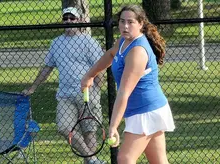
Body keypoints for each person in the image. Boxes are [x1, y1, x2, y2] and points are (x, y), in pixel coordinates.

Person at [81, 4, 175, 164]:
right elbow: (111, 54)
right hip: (145, 110)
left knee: (125, 159)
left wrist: (113, 127)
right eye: (122, 21)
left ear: (140, 24)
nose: (125, 26)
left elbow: (124, 92)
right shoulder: (123, 42)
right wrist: (90, 74)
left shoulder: (137, 52)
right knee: (159, 161)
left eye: (130, 22)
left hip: (146, 110)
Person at [22, 7, 105, 164]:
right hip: (65, 95)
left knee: (89, 131)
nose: (68, 21)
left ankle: (91, 162)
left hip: (88, 92)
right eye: (65, 18)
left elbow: (99, 66)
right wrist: (33, 87)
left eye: (72, 18)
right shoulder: (56, 43)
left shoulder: (89, 42)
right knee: (63, 127)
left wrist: (97, 88)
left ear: (79, 20)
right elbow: (47, 68)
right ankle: (93, 159)